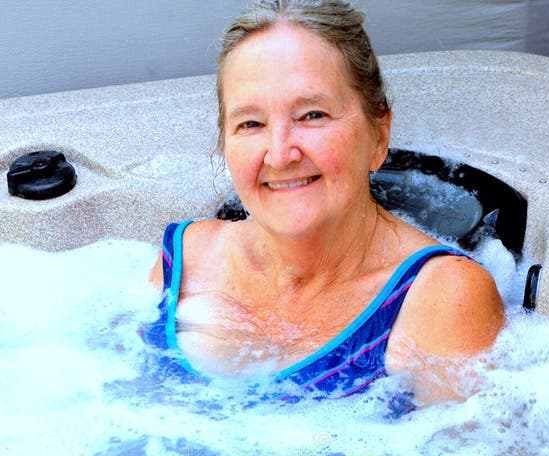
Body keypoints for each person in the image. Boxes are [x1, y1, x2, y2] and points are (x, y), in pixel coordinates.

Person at [149, 0, 505, 407]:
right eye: (251, 123)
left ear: (379, 133)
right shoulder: (184, 261)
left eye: (313, 115)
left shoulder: (442, 299)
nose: (280, 154)